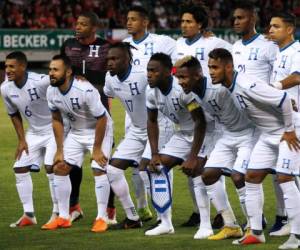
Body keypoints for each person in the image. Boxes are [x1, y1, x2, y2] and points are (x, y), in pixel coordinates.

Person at [208, 48, 300, 248]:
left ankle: (297, 236)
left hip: (288, 133)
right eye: (209, 67)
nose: (211, 71)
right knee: (251, 177)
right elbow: (275, 96)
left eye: (215, 67)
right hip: (268, 135)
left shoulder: (244, 84)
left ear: (229, 67)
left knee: (285, 178)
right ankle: (256, 233)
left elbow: (284, 100)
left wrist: (290, 130)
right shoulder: (233, 85)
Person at [176, 55, 257, 240]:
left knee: (238, 177)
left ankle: (254, 226)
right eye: (178, 78)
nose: (180, 82)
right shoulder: (188, 95)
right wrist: (196, 155)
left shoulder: (220, 88)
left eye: (184, 77)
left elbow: (249, 94)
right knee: (208, 174)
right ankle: (231, 225)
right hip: (226, 135)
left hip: (248, 133)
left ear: (197, 75)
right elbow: (200, 121)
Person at [176, 2, 232, 228]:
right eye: (182, 21)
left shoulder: (215, 42)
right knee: (193, 163)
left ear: (200, 24)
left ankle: (221, 213)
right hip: (193, 109)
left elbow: (228, 62)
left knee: (214, 165)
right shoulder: (177, 45)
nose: (184, 25)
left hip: (215, 110)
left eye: (189, 21)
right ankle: (200, 212)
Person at [43, 54, 113, 232]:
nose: (51, 73)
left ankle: (101, 217)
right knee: (59, 167)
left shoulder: (85, 90)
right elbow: (56, 119)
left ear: (68, 72)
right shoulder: (51, 90)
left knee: (98, 167)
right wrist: (59, 150)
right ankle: (63, 217)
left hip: (99, 129)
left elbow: (102, 119)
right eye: (50, 69)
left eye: (55, 70)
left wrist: (96, 149)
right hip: (76, 131)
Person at [123, 5, 177, 224]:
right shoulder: (124, 47)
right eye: (127, 19)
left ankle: (162, 212)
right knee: (137, 165)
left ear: (145, 22)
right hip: (132, 114)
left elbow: (176, 64)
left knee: (156, 162)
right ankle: (143, 207)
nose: (128, 22)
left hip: (158, 112)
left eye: (133, 19)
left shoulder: (163, 42)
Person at [145, 53, 208, 236]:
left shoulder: (182, 91)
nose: (149, 74)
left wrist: (193, 156)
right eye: (148, 70)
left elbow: (200, 122)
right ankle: (165, 223)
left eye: (154, 71)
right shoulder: (151, 93)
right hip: (182, 135)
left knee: (198, 172)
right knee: (156, 167)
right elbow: (151, 121)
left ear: (167, 72)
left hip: (203, 135)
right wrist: (155, 153)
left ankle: (205, 224)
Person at [60, 11, 114, 223]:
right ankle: (74, 207)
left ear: (94, 28)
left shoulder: (106, 47)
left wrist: (86, 77)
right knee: (71, 164)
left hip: (100, 112)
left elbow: (110, 73)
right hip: (73, 113)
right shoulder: (68, 44)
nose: (78, 26)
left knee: (103, 163)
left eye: (82, 24)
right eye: (77, 23)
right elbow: (61, 69)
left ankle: (110, 211)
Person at [232, 1, 276, 230]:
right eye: (235, 18)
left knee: (282, 171)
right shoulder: (235, 47)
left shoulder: (268, 45)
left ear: (253, 19)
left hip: (270, 118)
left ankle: (283, 217)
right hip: (246, 121)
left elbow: (280, 74)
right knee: (246, 174)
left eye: (241, 18)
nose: (237, 22)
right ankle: (258, 221)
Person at [1, 51, 57, 227]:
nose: (7, 70)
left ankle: (57, 213)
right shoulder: (5, 88)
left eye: (12, 66)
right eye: (6, 66)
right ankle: (29, 215)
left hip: (54, 129)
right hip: (33, 132)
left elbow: (61, 77)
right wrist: (21, 140)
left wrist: (79, 79)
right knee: (19, 167)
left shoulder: (40, 81)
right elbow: (13, 114)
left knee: (51, 167)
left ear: (23, 67)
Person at [103, 42, 147, 229]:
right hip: (137, 130)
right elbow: (106, 94)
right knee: (112, 169)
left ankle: (165, 220)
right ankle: (133, 217)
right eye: (108, 59)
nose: (110, 63)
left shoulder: (143, 75)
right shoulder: (110, 79)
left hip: (159, 129)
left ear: (128, 59)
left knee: (151, 172)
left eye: (115, 59)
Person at [268, 11, 300, 238]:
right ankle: (292, 220)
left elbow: (298, 76)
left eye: (276, 26)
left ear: (289, 29)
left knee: (286, 173)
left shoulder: (296, 51)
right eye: (270, 26)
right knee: (286, 173)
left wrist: (273, 88)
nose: (270, 29)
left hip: (296, 121)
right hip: (284, 120)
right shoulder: (280, 53)